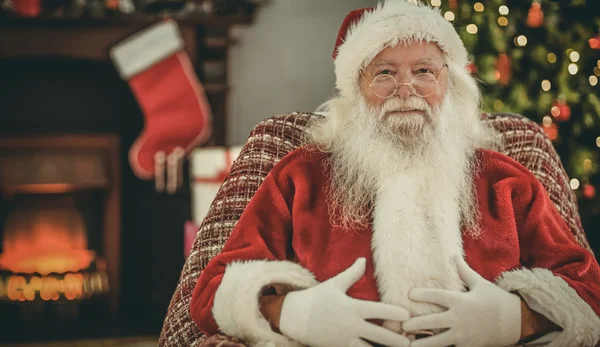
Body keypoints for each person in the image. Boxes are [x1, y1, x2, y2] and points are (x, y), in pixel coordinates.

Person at [190, 1, 600, 346]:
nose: (406, 89)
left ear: (450, 85)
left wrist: (513, 320)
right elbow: (212, 293)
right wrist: (294, 314)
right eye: (384, 72)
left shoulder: (504, 181)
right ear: (356, 89)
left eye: (424, 71)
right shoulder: (300, 177)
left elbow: (588, 293)